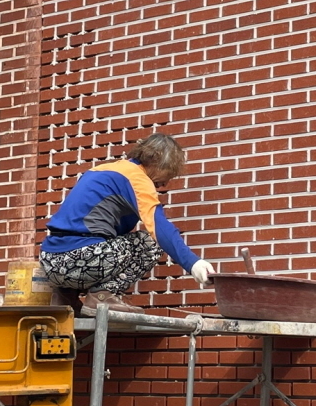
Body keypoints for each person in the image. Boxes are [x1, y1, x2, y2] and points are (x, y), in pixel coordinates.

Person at [39, 133, 215, 315]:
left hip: (50, 263)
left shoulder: (100, 170)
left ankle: (64, 296)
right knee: (150, 243)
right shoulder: (136, 178)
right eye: (169, 174)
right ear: (158, 162)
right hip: (80, 259)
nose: (164, 184)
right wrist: (192, 263)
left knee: (102, 239)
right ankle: (101, 297)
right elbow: (159, 227)